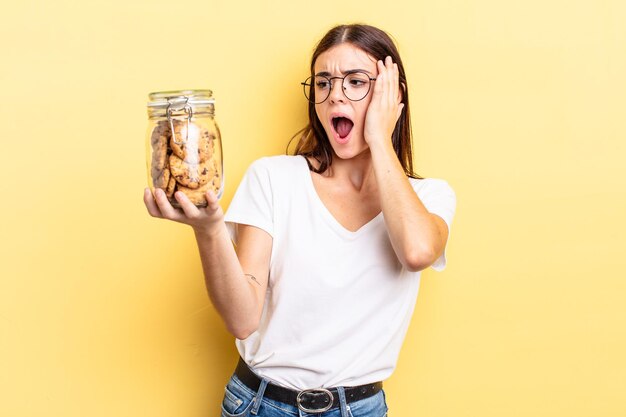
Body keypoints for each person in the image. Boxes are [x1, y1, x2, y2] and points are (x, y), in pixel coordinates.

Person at [144, 23, 456, 417]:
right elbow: (242, 320)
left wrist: (378, 136)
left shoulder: (430, 198)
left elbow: (416, 251)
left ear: (392, 94)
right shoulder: (273, 178)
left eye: (356, 82)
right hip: (259, 405)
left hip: (359, 409)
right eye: (323, 83)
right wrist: (208, 231)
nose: (334, 95)